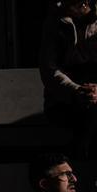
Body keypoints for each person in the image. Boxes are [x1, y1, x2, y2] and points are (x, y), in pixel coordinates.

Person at [41, 0, 97, 158]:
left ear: (85, 3)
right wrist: (76, 90)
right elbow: (49, 69)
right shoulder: (55, 21)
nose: (60, 4)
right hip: (65, 101)